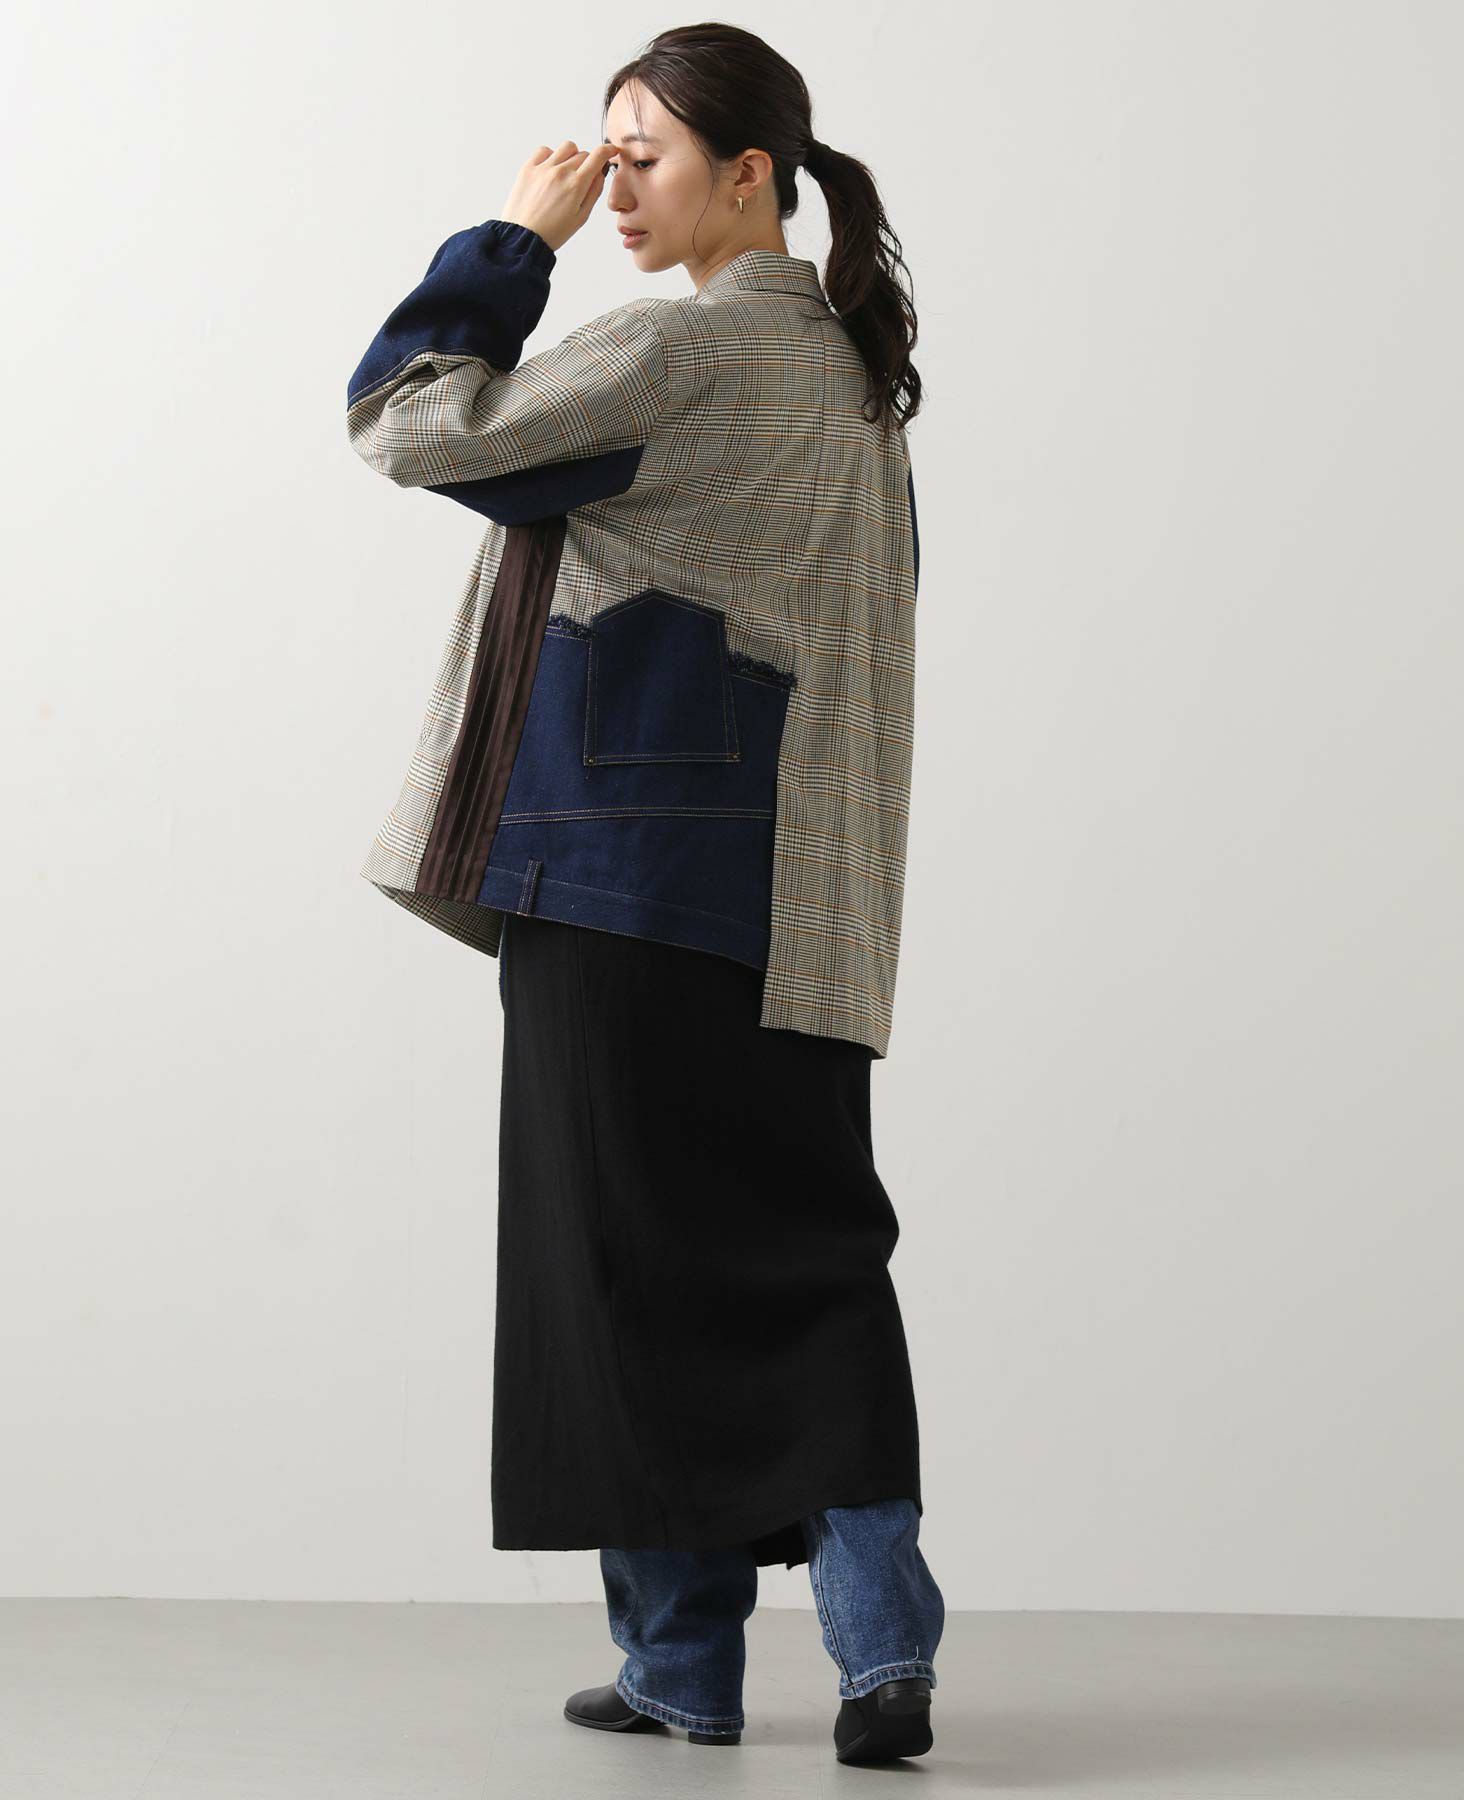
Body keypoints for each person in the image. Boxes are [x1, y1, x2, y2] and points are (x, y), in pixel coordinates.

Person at [346, 23, 940, 1766]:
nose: (611, 187)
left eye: (641, 157)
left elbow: (409, 423)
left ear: (749, 175)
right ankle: (875, 1650)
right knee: (809, 1261)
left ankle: (685, 1666)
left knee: (621, 1272)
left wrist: (509, 241)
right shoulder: (849, 373)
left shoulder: (680, 352)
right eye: (599, 160)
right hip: (795, 894)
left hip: (623, 873)